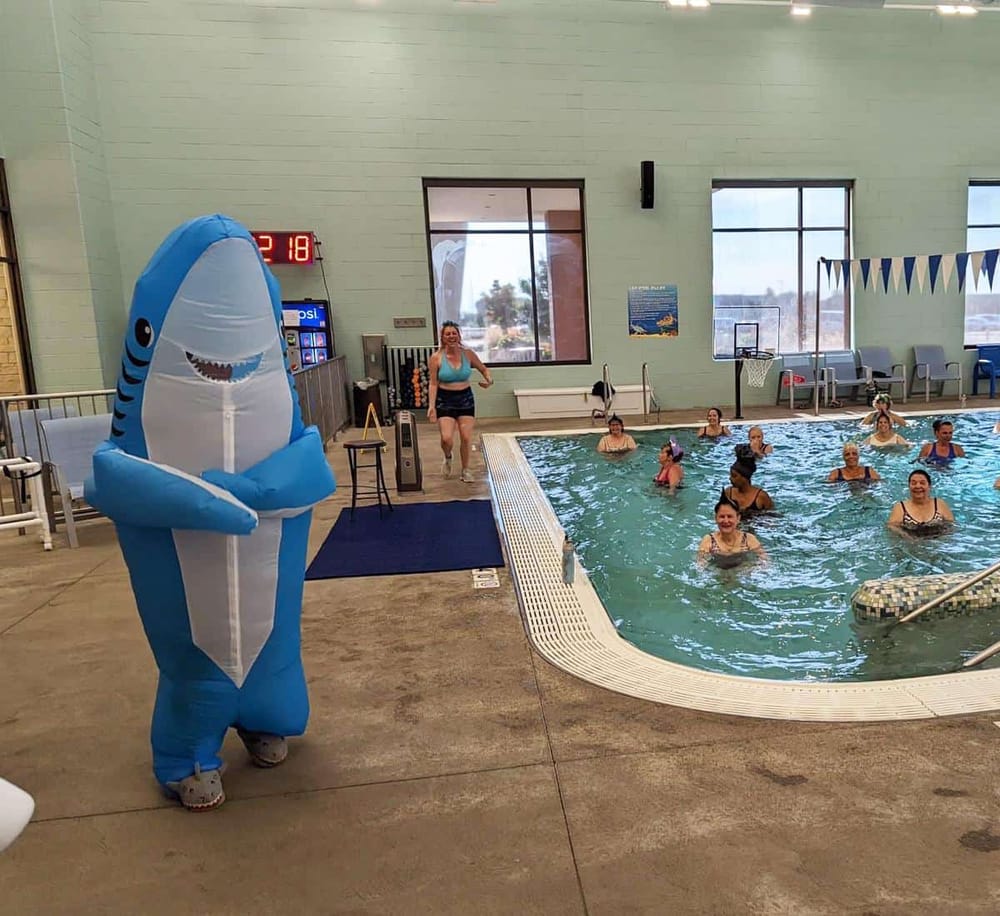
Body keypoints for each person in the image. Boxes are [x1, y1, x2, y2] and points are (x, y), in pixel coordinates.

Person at [427, 320, 494, 483]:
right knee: (446, 438)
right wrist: (431, 406)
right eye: (447, 334)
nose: (451, 336)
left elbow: (483, 369)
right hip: (445, 400)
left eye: (454, 333)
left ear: (459, 335)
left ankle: (465, 470)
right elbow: (433, 383)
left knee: (465, 437)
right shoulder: (436, 358)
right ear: (442, 337)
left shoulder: (468, 354)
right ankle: (448, 456)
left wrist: (489, 380)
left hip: (465, 399)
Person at [697, 496, 765, 564]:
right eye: (722, 516)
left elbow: (764, 561)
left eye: (730, 516)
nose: (726, 521)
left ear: (738, 518)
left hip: (743, 571)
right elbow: (700, 564)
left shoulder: (749, 539)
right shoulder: (709, 540)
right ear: (716, 518)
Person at [887, 468, 955, 535]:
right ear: (909, 486)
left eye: (922, 483)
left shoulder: (939, 504)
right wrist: (906, 536)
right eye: (913, 483)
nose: (918, 486)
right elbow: (892, 527)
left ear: (929, 486)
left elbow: (951, 526)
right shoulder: (900, 507)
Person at [720, 446, 774, 513]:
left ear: (745, 478)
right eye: (730, 475)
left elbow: (772, 519)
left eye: (734, 476)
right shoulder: (728, 493)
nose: (730, 478)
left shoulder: (761, 497)